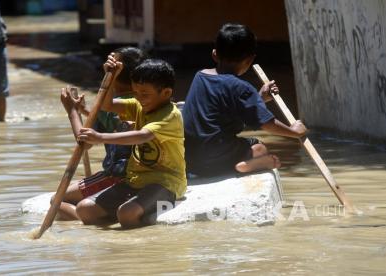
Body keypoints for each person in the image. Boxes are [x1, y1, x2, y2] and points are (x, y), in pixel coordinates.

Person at [182, 23, 307, 178]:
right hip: (216, 160)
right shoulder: (241, 87)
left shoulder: (200, 76)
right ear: (249, 60)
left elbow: (227, 108)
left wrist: (259, 98)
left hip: (190, 159)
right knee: (259, 147)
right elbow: (266, 124)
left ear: (214, 54)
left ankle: (239, 164)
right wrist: (294, 132)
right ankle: (246, 165)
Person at [75, 58, 187, 229]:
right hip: (135, 181)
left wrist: (100, 137)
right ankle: (117, 241)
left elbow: (142, 135)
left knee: (126, 213)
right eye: (136, 93)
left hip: (165, 182)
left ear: (165, 93)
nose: (139, 98)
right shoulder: (138, 105)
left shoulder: (170, 116)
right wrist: (111, 77)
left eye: (145, 94)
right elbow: (107, 105)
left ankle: (139, 244)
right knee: (85, 210)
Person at [54, 47, 146, 221]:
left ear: (113, 76)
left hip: (117, 176)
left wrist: (73, 112)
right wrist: (88, 112)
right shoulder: (144, 102)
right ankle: (103, 211)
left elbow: (85, 144)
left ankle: (99, 216)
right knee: (61, 199)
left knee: (57, 201)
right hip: (117, 173)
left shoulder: (112, 107)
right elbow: (112, 122)